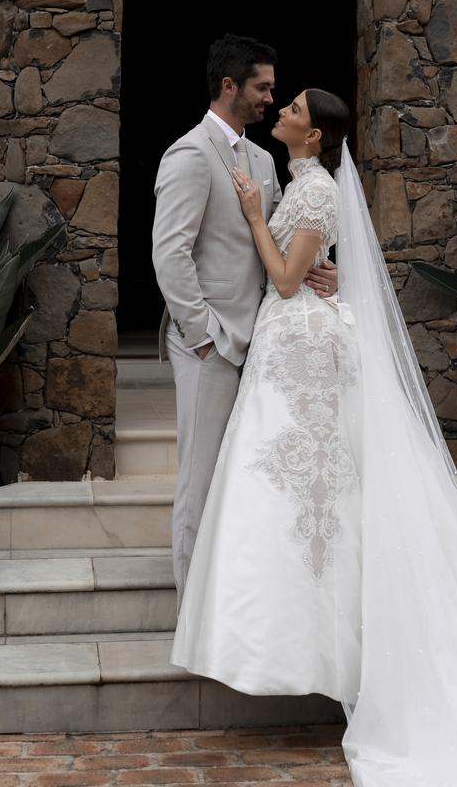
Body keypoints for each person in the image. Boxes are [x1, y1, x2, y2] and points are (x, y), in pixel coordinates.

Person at [171, 89, 457, 787]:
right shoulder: (301, 181)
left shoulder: (312, 192)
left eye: (290, 108)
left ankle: (328, 648)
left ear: (313, 136)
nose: (280, 109)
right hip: (289, 350)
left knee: (313, 486)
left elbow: (287, 281)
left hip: (304, 349)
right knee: (290, 486)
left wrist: (257, 217)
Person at [152, 35, 336, 607]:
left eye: (275, 91)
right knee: (199, 481)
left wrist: (324, 274)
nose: (270, 98)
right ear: (229, 85)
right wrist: (203, 337)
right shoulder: (188, 154)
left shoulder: (261, 160)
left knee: (240, 483)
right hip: (213, 346)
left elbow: (282, 244)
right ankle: (189, 613)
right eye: (262, 87)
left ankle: (228, 604)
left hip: (264, 347)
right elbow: (170, 254)